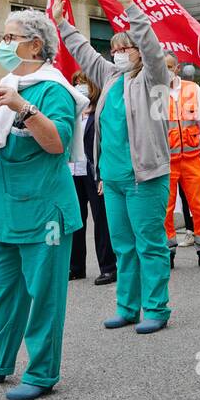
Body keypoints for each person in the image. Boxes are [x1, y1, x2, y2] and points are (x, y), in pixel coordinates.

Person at [0, 9, 86, 400]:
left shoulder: (53, 89)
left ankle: (42, 372)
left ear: (35, 45)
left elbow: (57, 143)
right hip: (4, 208)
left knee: (43, 294)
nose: (3, 45)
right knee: (3, 289)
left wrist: (22, 109)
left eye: (11, 38)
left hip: (43, 210)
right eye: (4, 37)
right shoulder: (5, 83)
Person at [53, 0, 174, 334]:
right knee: (122, 244)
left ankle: (157, 308)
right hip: (114, 178)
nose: (118, 54)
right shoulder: (110, 79)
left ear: (138, 51)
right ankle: (127, 306)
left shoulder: (153, 77)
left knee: (149, 244)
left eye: (126, 48)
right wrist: (61, 23)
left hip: (145, 176)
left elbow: (153, 47)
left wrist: (129, 7)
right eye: (115, 49)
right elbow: (84, 53)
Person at [163, 51, 200, 270]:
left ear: (177, 68)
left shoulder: (192, 88)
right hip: (166, 161)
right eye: (162, 66)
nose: (166, 70)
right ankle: (166, 252)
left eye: (170, 66)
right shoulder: (154, 92)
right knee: (166, 209)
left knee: (199, 206)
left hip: (191, 158)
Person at [69, 70, 117, 285]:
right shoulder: (71, 111)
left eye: (83, 82)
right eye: (76, 82)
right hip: (72, 172)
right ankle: (75, 267)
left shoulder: (101, 111)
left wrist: (104, 175)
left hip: (94, 172)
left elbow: (107, 145)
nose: (80, 86)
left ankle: (108, 267)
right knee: (75, 220)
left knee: (101, 220)